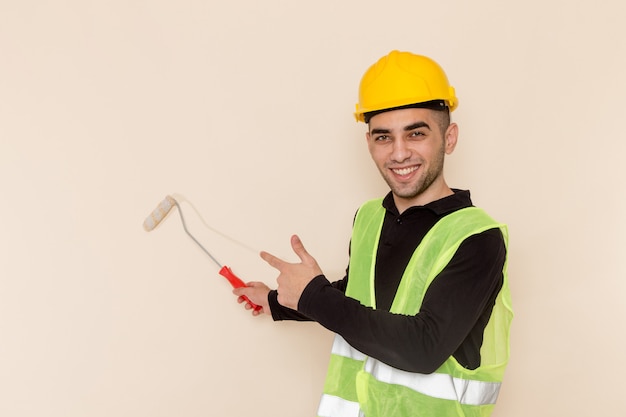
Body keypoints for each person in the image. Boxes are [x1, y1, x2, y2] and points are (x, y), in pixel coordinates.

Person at [233, 50, 513, 417]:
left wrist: (313, 297)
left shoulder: (477, 238)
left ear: (449, 138)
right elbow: (357, 298)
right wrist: (281, 301)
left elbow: (424, 347)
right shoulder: (369, 217)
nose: (399, 153)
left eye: (416, 133)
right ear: (369, 143)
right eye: (383, 137)